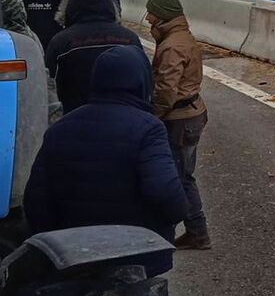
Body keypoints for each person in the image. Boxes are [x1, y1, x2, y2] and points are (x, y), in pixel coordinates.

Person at [24, 45, 188, 277]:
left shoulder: (60, 128)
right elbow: (166, 193)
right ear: (142, 81)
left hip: (74, 252)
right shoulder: (148, 128)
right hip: (137, 255)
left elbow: (36, 198)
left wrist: (56, 238)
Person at [143, 0, 211, 250]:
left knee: (180, 177)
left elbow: (166, 89)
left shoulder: (172, 45)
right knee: (181, 174)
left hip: (180, 119)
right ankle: (191, 229)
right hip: (190, 113)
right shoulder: (181, 37)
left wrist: (152, 116)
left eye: (150, 13)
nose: (147, 17)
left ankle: (197, 230)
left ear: (161, 15)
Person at [44, 0, 143, 114]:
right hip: (125, 117)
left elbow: (49, 83)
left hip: (75, 117)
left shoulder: (61, 41)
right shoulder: (130, 39)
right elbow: (143, 79)